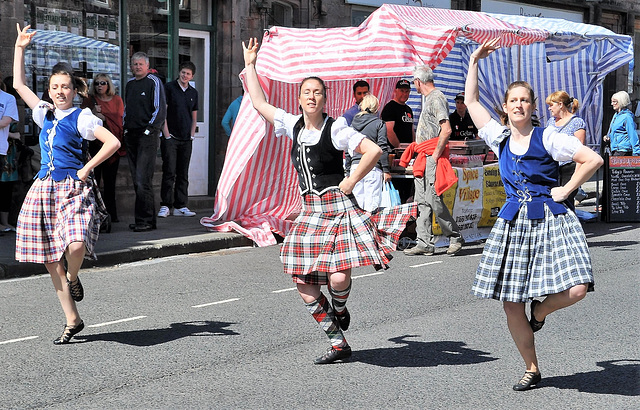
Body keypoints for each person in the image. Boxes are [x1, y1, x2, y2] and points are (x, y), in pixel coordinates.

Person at [242, 38, 416, 364]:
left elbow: (374, 151)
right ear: (299, 99)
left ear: (325, 99)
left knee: (337, 278)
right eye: (306, 92)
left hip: (337, 208)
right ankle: (338, 343)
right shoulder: (291, 125)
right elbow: (258, 103)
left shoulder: (337, 129)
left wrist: (350, 180)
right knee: (303, 284)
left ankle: (339, 307)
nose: (311, 96)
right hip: (309, 211)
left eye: (317, 92)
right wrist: (251, 65)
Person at [465, 38, 603, 391]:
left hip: (551, 218)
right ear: (506, 106)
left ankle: (540, 312)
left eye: (525, 100)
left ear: (532, 105)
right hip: (514, 223)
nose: (519, 105)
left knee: (577, 290)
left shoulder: (550, 137)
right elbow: (470, 102)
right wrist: (475, 61)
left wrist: (566, 188)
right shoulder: (499, 138)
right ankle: (531, 367)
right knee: (511, 302)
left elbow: (593, 159)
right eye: (513, 100)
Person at [13, 24, 120, 344]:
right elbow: (18, 83)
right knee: (48, 258)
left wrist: (87, 168)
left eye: (65, 87)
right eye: (55, 87)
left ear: (74, 91)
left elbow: (112, 142)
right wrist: (20, 48)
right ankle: (72, 319)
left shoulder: (83, 118)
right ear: (49, 91)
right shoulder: (43, 113)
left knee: (75, 246)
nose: (60, 91)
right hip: (43, 188)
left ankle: (73, 277)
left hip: (72, 187)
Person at [403, 65, 463, 257]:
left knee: (434, 198)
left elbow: (446, 129)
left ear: (419, 81)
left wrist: (436, 154)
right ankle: (424, 241)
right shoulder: (432, 98)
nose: (414, 86)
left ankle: (454, 236)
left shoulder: (436, 98)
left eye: (414, 82)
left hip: (430, 155)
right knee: (422, 200)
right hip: (424, 155)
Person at [123, 51, 167, 232]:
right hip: (131, 135)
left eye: (141, 64)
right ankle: (141, 219)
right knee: (136, 179)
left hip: (147, 136)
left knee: (143, 179)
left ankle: (147, 221)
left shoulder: (154, 82)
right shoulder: (130, 84)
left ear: (147, 66)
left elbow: (160, 109)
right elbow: (127, 109)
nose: (137, 67)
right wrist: (125, 127)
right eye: (135, 64)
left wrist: (150, 129)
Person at [81, 73, 125, 223]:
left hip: (112, 146)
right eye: (97, 83)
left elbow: (119, 121)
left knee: (110, 182)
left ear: (109, 85)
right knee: (94, 182)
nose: (100, 86)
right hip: (95, 146)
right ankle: (94, 215)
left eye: (103, 83)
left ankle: (111, 215)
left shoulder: (117, 100)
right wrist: (94, 114)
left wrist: (104, 117)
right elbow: (82, 120)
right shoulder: (89, 101)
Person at [158, 61, 199, 218]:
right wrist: (167, 135)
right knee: (169, 171)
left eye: (188, 74)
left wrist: (191, 135)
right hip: (171, 138)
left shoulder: (193, 93)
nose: (185, 76)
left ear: (192, 76)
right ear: (179, 72)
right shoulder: (169, 88)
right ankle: (166, 205)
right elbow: (164, 113)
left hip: (186, 139)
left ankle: (180, 205)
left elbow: (194, 117)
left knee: (183, 173)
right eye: (183, 72)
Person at [545, 91, 586, 211]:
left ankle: (570, 227)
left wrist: (576, 176)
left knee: (566, 200)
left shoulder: (576, 122)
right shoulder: (551, 122)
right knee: (551, 199)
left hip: (569, 167)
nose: (549, 108)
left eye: (551, 105)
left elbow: (581, 152)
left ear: (560, 104)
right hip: (552, 167)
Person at [349, 94, 391, 211]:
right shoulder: (379, 123)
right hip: (373, 168)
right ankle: (370, 229)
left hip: (355, 167)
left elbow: (349, 148)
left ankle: (358, 229)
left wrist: (348, 170)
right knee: (371, 207)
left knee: (357, 208)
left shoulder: (352, 125)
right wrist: (386, 170)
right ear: (376, 108)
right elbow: (382, 147)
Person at [0, 76, 20, 232]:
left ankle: (3, 224)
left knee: (4, 189)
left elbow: (5, 122)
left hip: (3, 151)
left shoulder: (8, 99)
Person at [603, 91, 640, 156]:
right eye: (612, 101)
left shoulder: (627, 117)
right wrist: (608, 137)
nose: (612, 104)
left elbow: (632, 134)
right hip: (615, 149)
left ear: (621, 102)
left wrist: (636, 153)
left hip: (623, 150)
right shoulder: (616, 115)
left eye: (614, 101)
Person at [381, 79, 415, 148]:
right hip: (394, 151)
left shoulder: (408, 109)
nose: (404, 94)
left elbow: (411, 130)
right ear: (396, 91)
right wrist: (399, 147)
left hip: (408, 150)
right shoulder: (390, 107)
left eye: (407, 91)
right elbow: (389, 131)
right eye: (402, 91)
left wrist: (413, 146)